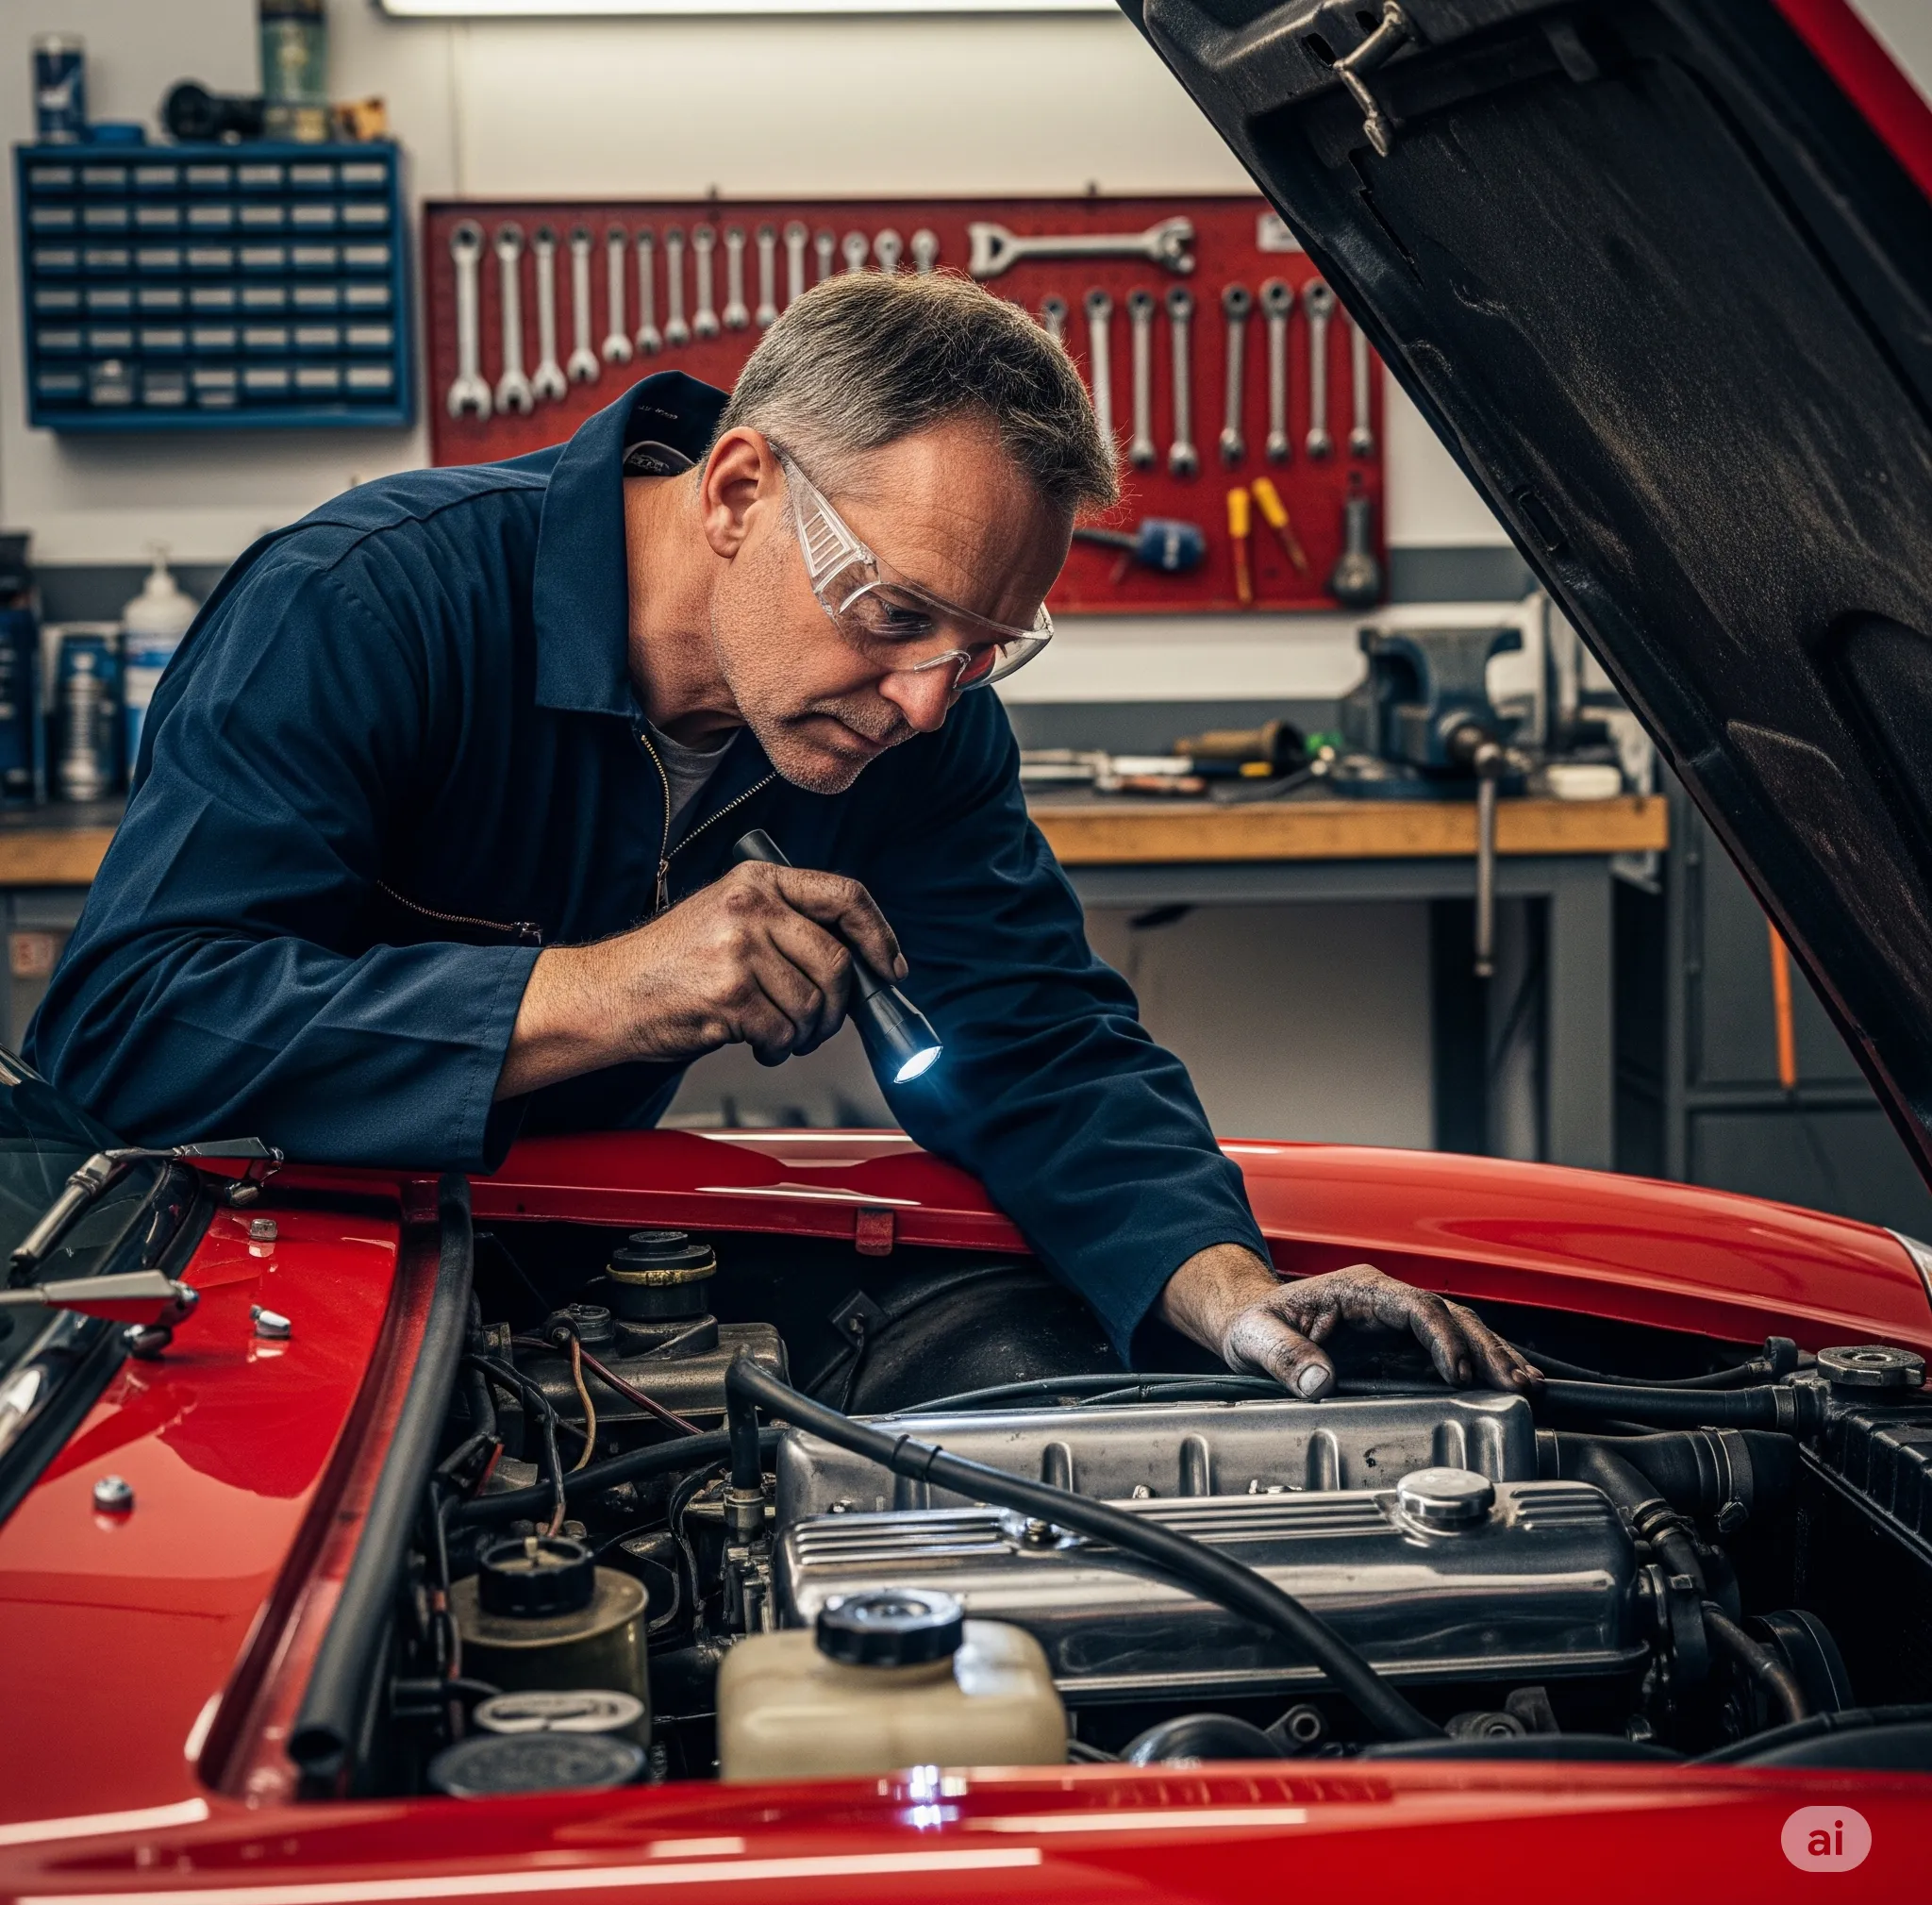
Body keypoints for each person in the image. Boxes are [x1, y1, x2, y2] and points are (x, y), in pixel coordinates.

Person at [28, 274, 1537, 1403]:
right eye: (895, 618)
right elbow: (130, 1030)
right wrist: (603, 988)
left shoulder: (906, 722)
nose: (932, 702)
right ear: (742, 490)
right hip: (249, 1308)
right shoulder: (366, 605)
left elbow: (1034, 1042)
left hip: (584, 1288)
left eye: (989, 649)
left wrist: (1222, 1290)